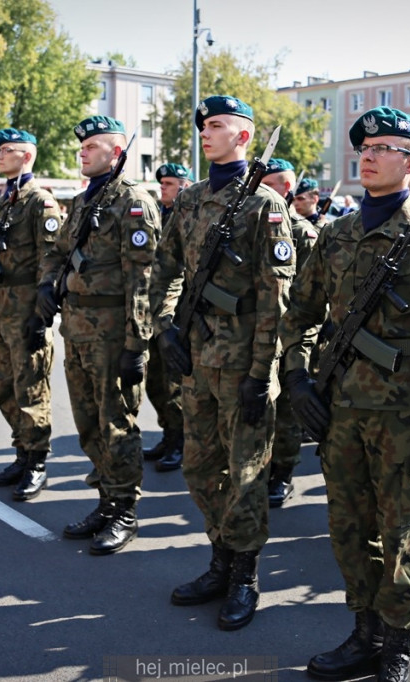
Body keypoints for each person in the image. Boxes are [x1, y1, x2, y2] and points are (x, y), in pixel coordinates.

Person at [279, 106, 410, 681]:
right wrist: (296, 376)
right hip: (340, 413)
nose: (368, 153)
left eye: (385, 147)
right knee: (346, 527)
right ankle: (363, 631)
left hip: (404, 420)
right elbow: (301, 313)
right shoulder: (335, 234)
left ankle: (396, 646)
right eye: (365, 146)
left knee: (399, 537)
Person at [152, 95, 294, 631]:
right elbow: (164, 269)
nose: (205, 134)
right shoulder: (187, 200)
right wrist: (165, 325)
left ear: (244, 137)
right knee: (198, 468)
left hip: (242, 367)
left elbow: (275, 300)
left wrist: (263, 374)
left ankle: (244, 576)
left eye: (217, 126)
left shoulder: (264, 206)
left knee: (245, 474)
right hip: (195, 357)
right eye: (203, 127)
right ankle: (219, 558)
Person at [37, 115, 161, 555]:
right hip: (77, 331)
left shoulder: (134, 203)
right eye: (82, 145)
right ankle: (106, 501)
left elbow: (143, 280)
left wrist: (137, 344)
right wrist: (47, 284)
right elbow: (58, 252)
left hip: (113, 337)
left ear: (116, 151)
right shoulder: (83, 201)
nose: (82, 152)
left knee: (117, 426)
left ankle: (125, 510)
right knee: (89, 424)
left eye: (92, 145)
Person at [0, 128, 63, 501]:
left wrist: (41, 315)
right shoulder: (7, 199)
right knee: (7, 388)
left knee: (31, 388)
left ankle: (37, 462)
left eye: (7, 150)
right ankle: (20, 453)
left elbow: (50, 260)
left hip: (25, 307)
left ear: (27, 156)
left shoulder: (39, 202)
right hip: (2, 306)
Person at [259, 157, 320, 507]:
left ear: (287, 188)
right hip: (258, 331)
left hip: (290, 333)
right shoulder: (255, 225)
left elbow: (314, 295)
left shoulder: (302, 232)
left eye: (272, 182)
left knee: (285, 411)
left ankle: (281, 474)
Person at [143, 162, 193, 472]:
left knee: (174, 383)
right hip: (155, 311)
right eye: (162, 183)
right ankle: (168, 432)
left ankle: (180, 441)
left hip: (180, 312)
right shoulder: (157, 217)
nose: (163, 187)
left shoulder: (190, 219)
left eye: (170, 183)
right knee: (155, 382)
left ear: (185, 186)